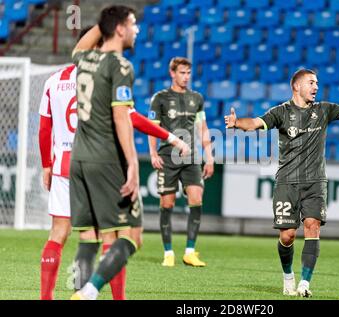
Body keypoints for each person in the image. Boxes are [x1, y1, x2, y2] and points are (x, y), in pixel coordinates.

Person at [38, 26, 189, 300]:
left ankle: (46, 298)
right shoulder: (104, 79)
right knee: (113, 237)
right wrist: (171, 137)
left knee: (59, 233)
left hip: (64, 166)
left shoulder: (53, 81)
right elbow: (131, 117)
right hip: (99, 165)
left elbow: (44, 128)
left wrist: (46, 165)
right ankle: (114, 297)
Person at [224, 69, 339, 297]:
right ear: (297, 86)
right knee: (287, 235)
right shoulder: (281, 112)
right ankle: (288, 276)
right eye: (311, 82)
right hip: (287, 182)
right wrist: (238, 122)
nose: (316, 86)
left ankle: (305, 283)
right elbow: (256, 123)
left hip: (315, 181)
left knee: (312, 226)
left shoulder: (324, 110)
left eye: (317, 82)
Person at [69, 5, 153, 300]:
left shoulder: (84, 59)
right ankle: (89, 291)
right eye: (132, 23)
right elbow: (122, 117)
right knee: (133, 236)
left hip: (78, 159)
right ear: (119, 29)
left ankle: (79, 291)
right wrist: (132, 164)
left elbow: (80, 45)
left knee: (88, 238)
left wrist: (101, 24)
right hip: (106, 159)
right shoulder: (121, 66)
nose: (137, 29)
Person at [149, 57, 214, 267]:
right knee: (167, 203)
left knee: (196, 197)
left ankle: (189, 251)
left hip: (192, 157)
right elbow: (152, 128)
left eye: (188, 73)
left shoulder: (197, 98)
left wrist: (209, 156)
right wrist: (153, 153)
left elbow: (202, 128)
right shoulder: (160, 98)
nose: (186, 77)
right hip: (168, 156)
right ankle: (168, 252)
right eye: (182, 73)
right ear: (172, 73)